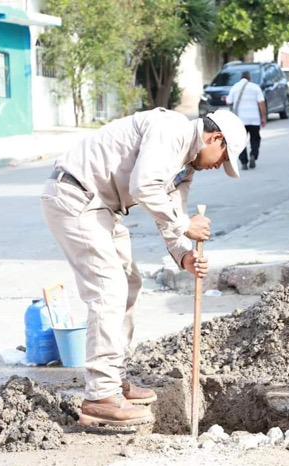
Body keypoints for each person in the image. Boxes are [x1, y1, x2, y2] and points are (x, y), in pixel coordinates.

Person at [41, 108, 247, 426]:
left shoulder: (185, 167)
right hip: (75, 197)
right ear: (215, 138)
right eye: (223, 157)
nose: (219, 166)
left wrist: (183, 255)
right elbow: (144, 187)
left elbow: (172, 212)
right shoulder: (172, 130)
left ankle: (113, 380)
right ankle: (100, 396)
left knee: (129, 283)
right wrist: (185, 225)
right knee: (108, 288)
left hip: (103, 208)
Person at [226, 70, 267, 170]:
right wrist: (263, 117)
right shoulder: (255, 87)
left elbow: (228, 102)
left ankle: (244, 162)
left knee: (240, 141)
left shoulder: (235, 87)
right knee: (255, 138)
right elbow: (261, 103)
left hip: (240, 120)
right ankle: (253, 155)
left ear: (240, 78)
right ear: (250, 78)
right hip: (254, 119)